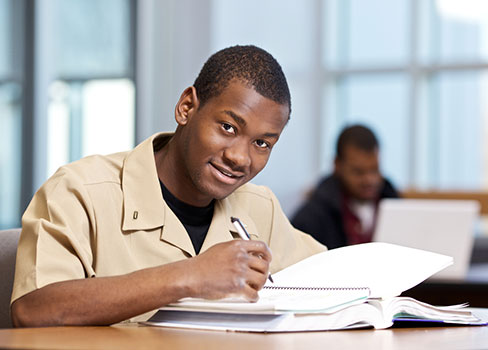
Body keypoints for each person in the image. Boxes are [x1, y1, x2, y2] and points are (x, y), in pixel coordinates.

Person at [11, 45, 325, 327]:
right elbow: (33, 310)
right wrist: (190, 275)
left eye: (261, 143)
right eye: (228, 127)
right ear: (187, 107)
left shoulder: (260, 207)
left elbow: (334, 280)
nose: (240, 158)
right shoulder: (82, 191)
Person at [291, 124, 398, 249]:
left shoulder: (396, 205)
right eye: (358, 172)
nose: (369, 180)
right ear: (337, 165)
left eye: (374, 170)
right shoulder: (311, 218)